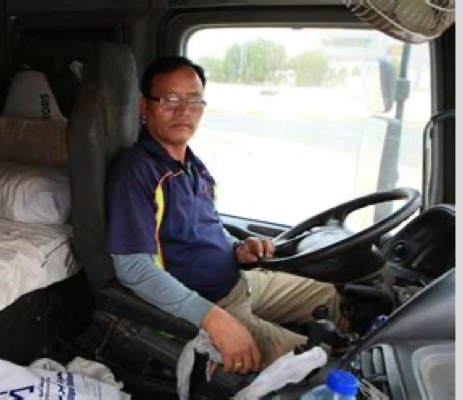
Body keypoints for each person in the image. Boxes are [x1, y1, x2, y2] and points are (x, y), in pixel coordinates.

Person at [105, 56, 349, 375]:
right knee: (325, 366)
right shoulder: (136, 171)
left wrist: (238, 249)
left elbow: (207, 228)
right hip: (209, 305)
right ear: (144, 106)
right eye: (170, 100)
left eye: (194, 100)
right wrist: (214, 320)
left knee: (333, 294)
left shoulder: (193, 165)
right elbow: (133, 268)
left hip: (242, 281)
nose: (184, 111)